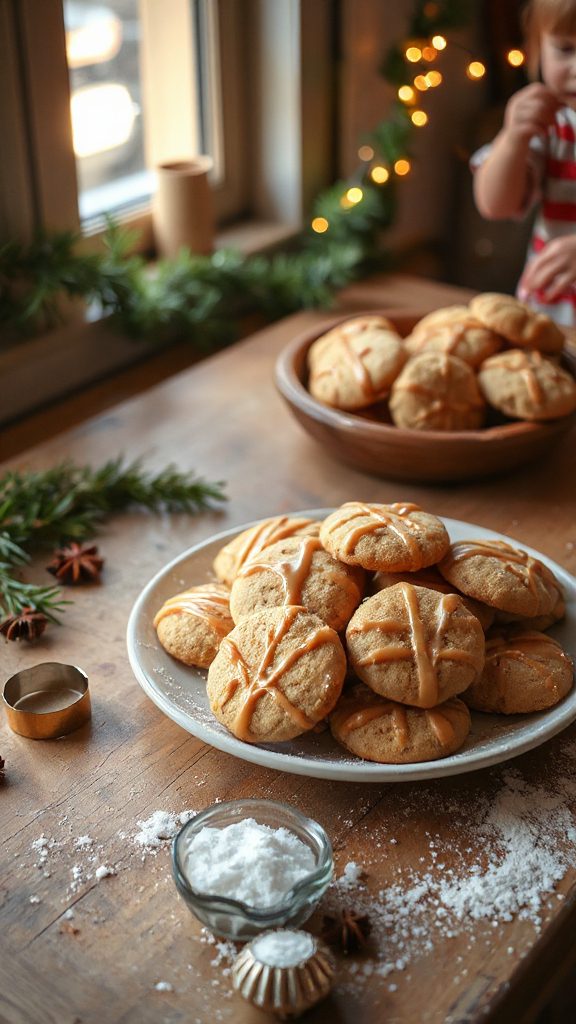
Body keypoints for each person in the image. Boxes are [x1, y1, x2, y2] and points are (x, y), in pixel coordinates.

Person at [473, 0, 576, 325]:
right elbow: (495, 205)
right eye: (565, 48)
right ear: (535, 51)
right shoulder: (553, 125)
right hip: (550, 320)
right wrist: (513, 138)